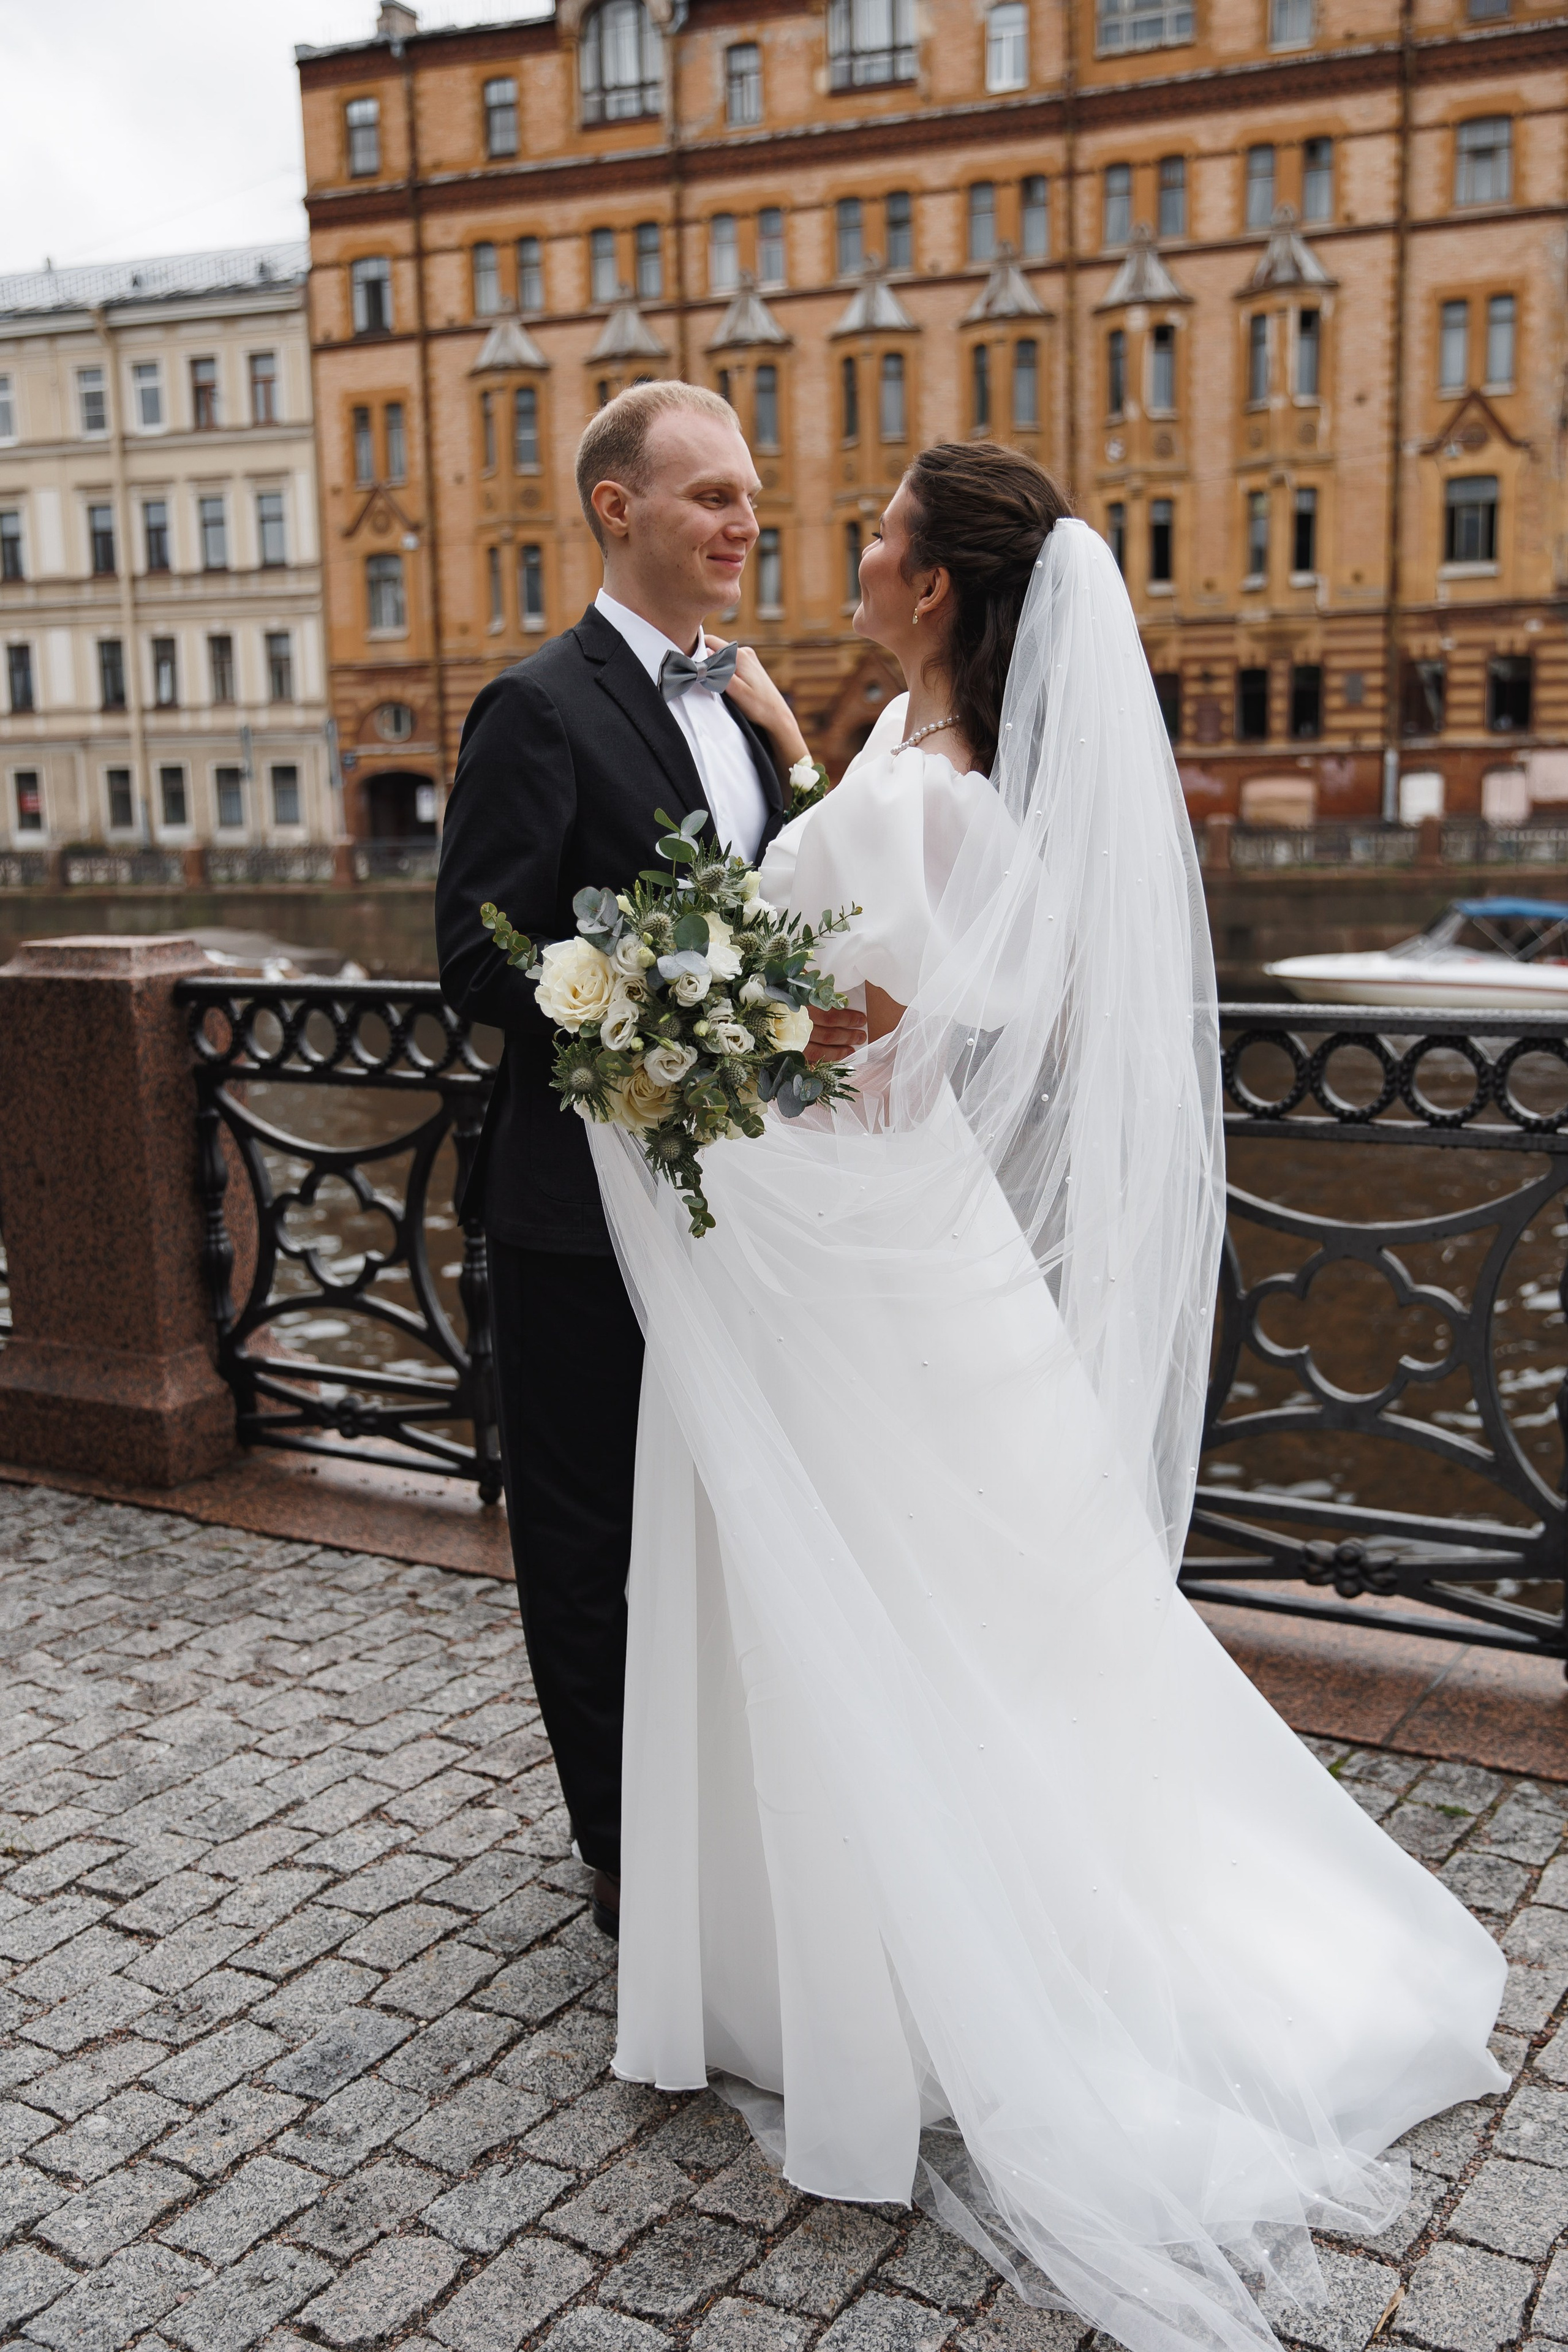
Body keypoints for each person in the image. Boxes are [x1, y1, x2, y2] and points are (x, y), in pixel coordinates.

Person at [584, 442, 1508, 2352]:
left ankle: (875, 1973)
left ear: (933, 587)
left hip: (844, 1251)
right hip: (922, 1237)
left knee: (864, 1594)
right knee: (960, 1607)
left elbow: (846, 1032)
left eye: (878, 536)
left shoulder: (912, 797)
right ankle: (940, 1929)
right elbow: (916, 1002)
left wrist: (675, 1032)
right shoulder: (952, 782)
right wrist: (797, 778)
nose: (850, 550)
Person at [435, 382, 816, 1940]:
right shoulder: (535, 706)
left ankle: (719, 1811)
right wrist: (655, 999)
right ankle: (624, 1854)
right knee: (587, 1536)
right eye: (712, 495)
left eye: (749, 498)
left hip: (732, 1208)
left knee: (721, 1518)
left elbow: (783, 909)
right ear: (617, 506)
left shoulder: (743, 705)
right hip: (578, 1211)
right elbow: (474, 957)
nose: (743, 524)